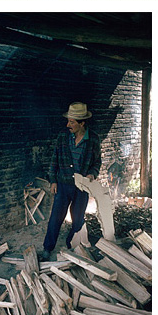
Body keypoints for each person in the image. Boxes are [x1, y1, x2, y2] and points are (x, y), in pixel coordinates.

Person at [42, 102, 101, 260]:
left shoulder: (93, 139)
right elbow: (54, 159)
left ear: (82, 123)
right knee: (56, 217)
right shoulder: (63, 136)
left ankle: (71, 245)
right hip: (63, 184)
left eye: (72, 122)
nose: (68, 124)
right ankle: (48, 248)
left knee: (78, 218)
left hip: (82, 187)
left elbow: (97, 163)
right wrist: (53, 180)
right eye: (68, 121)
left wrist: (91, 174)